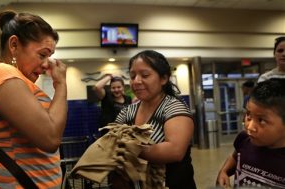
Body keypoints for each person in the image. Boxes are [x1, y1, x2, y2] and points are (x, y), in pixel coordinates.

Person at [0, 10, 67, 188]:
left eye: (50, 56)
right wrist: (60, 84)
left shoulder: (17, 79)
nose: (47, 64)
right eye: (42, 54)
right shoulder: (1, 73)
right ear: (14, 45)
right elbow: (50, 138)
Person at [115, 50, 196, 189]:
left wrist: (129, 149)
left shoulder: (174, 108)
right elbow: (111, 141)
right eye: (133, 76)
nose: (136, 81)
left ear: (163, 78)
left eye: (145, 75)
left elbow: (175, 151)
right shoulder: (128, 112)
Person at [216, 78, 285, 189]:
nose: (249, 127)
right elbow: (236, 156)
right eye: (248, 115)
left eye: (261, 120)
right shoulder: (244, 139)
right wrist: (224, 171)